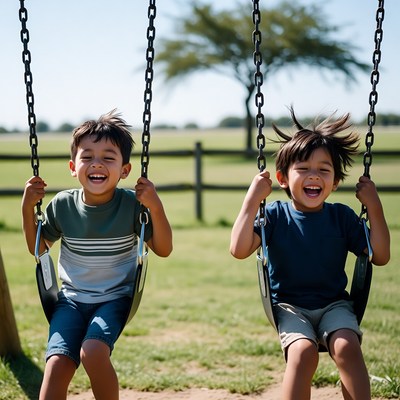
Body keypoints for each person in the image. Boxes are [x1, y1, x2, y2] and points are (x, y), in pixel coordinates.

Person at [230, 107, 390, 400]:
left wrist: (374, 207)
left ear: (335, 181)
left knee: (347, 347)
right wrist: (252, 199)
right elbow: (239, 250)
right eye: (303, 169)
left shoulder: (342, 217)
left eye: (323, 170)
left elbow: (379, 255)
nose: (313, 176)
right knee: (303, 353)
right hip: (290, 307)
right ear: (282, 178)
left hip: (334, 305)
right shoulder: (275, 215)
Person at [22, 109, 173, 400]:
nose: (97, 164)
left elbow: (163, 250)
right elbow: (38, 249)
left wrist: (155, 206)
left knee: (92, 352)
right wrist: (27, 208)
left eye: (108, 157)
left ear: (125, 170)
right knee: (56, 364)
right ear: (73, 166)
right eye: (87, 156)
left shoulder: (132, 205)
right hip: (71, 301)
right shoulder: (63, 205)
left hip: (115, 299)